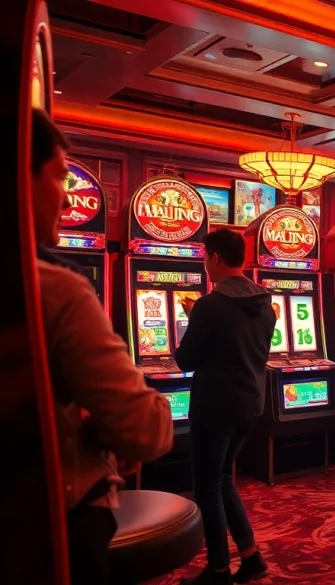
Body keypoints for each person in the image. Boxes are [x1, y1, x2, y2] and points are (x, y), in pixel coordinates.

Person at [31, 109, 175, 583]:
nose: (64, 195)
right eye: (58, 177)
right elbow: (143, 430)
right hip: (61, 515)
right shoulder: (56, 288)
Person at [175, 228, 276, 585]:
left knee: (207, 487)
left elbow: (184, 360)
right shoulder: (266, 304)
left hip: (214, 407)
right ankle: (251, 557)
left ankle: (218, 570)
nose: (205, 265)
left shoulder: (210, 306)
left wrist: (191, 318)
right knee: (222, 479)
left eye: (205, 258)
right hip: (250, 405)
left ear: (215, 257)